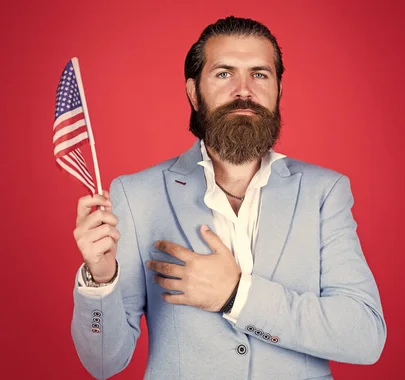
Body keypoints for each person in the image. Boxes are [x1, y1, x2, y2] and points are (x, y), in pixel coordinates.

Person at [71, 16, 386, 380]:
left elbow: (365, 337)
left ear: (279, 90)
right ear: (193, 92)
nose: (244, 90)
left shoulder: (323, 192)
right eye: (224, 74)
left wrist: (237, 296)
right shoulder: (136, 194)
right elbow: (103, 364)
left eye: (260, 74)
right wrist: (100, 279)